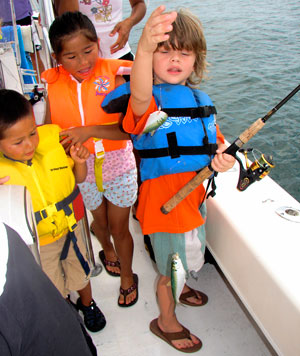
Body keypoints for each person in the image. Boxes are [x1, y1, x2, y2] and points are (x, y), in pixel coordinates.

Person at [113, 6, 236, 352]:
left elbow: (215, 145)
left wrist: (221, 160)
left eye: (184, 52)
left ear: (197, 59)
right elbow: (137, 95)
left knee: (188, 255)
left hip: (194, 203)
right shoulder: (147, 104)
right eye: (164, 50)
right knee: (170, 270)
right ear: (151, 57)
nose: (174, 59)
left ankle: (181, 289)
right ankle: (166, 321)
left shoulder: (199, 101)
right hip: (165, 211)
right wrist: (143, 48)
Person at [42, 11, 139, 307]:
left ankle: (127, 276)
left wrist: (88, 131)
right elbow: (49, 130)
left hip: (118, 164)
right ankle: (106, 250)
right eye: (70, 56)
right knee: (99, 223)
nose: (83, 62)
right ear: (57, 57)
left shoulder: (117, 74)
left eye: (88, 51)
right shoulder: (52, 84)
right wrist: (69, 150)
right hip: (81, 168)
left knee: (120, 226)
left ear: (98, 43)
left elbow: (129, 132)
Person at [0, 88, 106, 333]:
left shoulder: (51, 145)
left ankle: (88, 304)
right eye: (18, 142)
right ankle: (66, 310)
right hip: (37, 243)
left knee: (81, 272)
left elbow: (77, 179)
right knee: (52, 285)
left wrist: (79, 163)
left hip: (71, 229)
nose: (29, 144)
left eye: (32, 133)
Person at [0, 222, 97, 355]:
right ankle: (69, 308)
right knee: (56, 289)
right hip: (42, 238)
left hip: (69, 224)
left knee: (81, 275)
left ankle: (87, 304)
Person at [53, 0, 146, 60]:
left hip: (121, 54)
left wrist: (129, 22)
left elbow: (139, 3)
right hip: (85, 62)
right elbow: (66, 21)